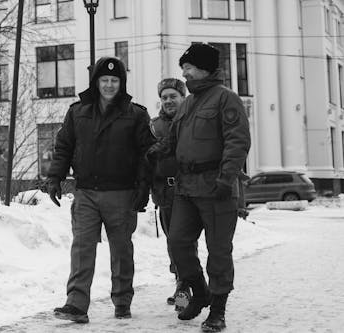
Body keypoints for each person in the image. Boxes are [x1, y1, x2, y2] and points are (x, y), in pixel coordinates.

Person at [148, 43, 251, 332]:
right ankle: (199, 291)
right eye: (184, 69)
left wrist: (226, 178)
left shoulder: (226, 99)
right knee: (178, 242)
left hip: (216, 186)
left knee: (218, 252)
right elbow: (173, 139)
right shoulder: (190, 102)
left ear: (204, 68)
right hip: (187, 187)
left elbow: (237, 142)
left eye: (189, 68)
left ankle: (217, 310)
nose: (185, 73)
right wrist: (154, 151)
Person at [47, 56, 155, 324]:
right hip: (86, 192)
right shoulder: (77, 112)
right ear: (95, 82)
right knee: (82, 248)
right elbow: (64, 147)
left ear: (122, 83)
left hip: (121, 193)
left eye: (114, 80)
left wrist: (143, 188)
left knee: (121, 250)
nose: (109, 85)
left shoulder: (136, 114)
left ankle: (122, 300)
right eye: (104, 80)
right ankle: (76, 304)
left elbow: (147, 154)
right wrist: (54, 178)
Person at [150, 78, 191, 311]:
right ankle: (181, 283)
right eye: (164, 97)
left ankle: (185, 291)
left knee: (183, 243)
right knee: (172, 243)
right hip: (164, 193)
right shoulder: (154, 127)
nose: (168, 101)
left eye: (172, 96)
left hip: (188, 191)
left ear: (182, 97)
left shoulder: (191, 122)